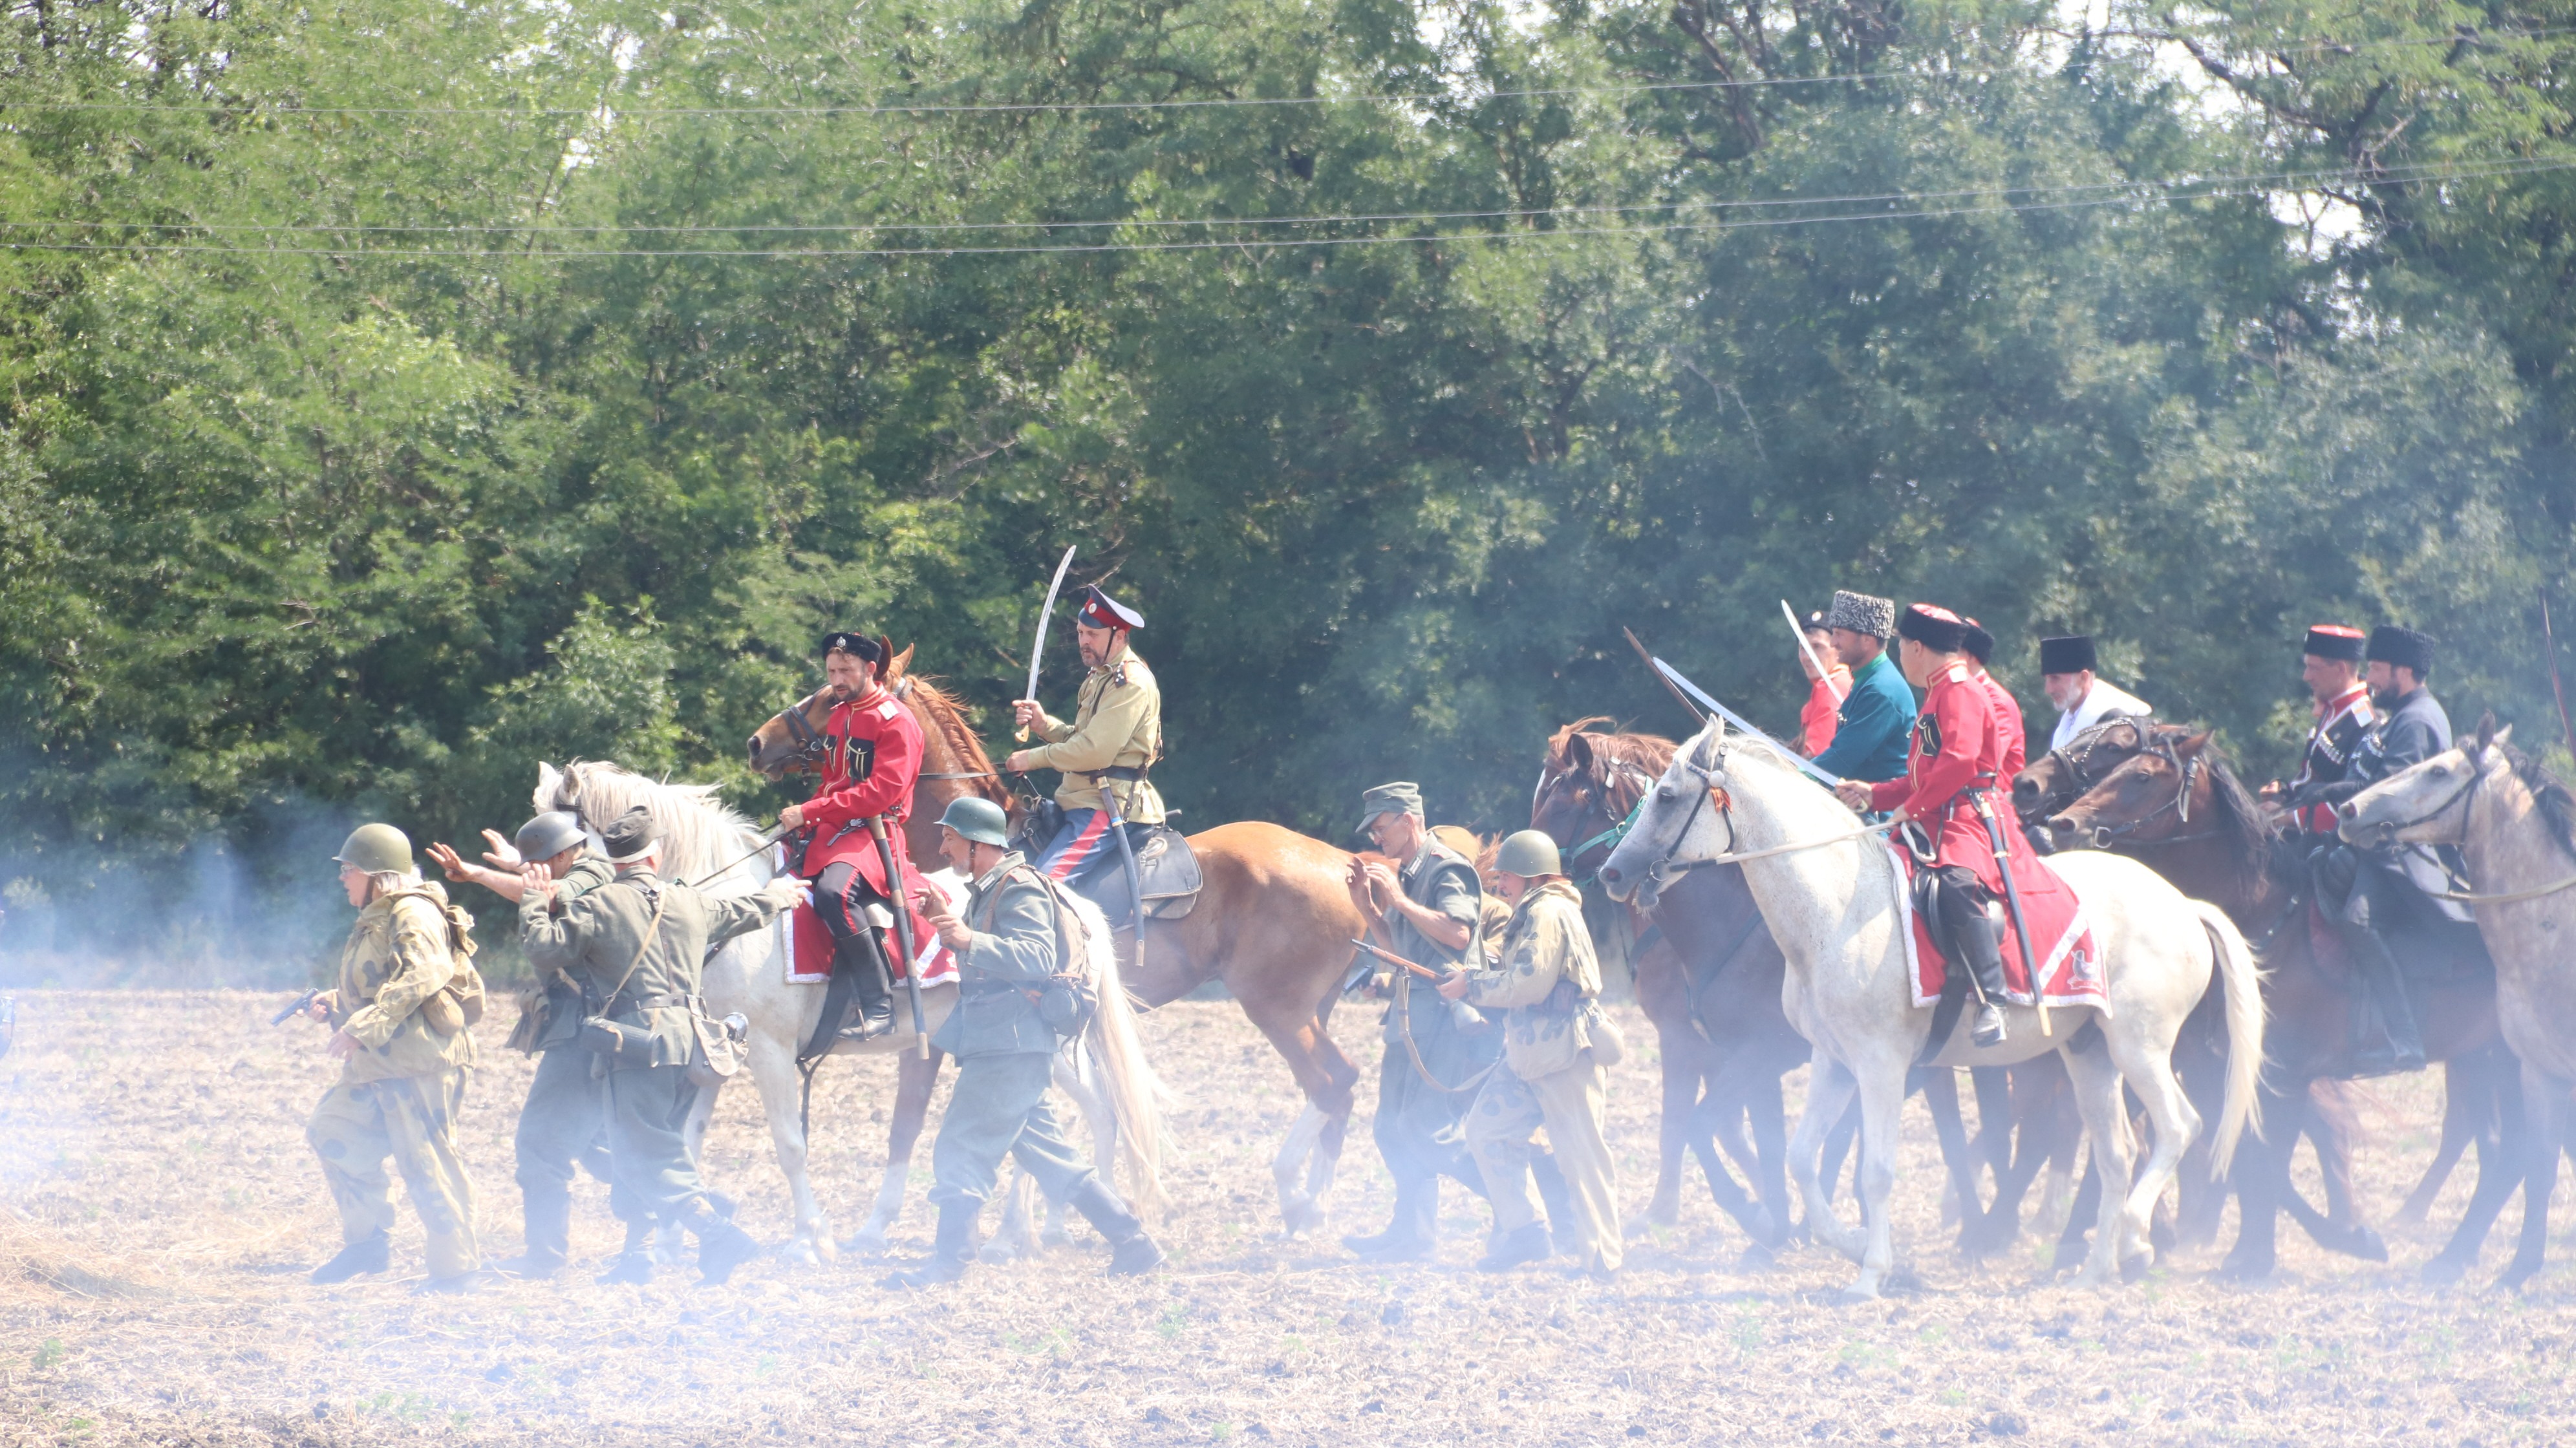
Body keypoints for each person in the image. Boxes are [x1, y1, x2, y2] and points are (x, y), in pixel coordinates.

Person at [883, 796, 1165, 1287]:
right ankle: (1133, 1242)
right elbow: (995, 946)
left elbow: (1035, 956)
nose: (943, 848)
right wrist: (947, 920)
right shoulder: (992, 887)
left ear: (977, 844)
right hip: (1003, 1039)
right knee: (1047, 1152)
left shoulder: (1019, 888)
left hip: (1009, 1042)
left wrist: (969, 940)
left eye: (950, 839)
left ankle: (950, 1260)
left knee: (959, 1146)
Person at [518, 806, 801, 1286]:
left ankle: (714, 1230)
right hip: (693, 1042)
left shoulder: (599, 905)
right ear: (657, 854)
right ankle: (641, 1254)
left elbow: (545, 948)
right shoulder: (691, 902)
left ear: (614, 857)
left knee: (639, 1151)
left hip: (636, 1043)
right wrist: (775, 896)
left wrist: (532, 900)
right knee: (653, 1142)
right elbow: (743, 912)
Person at [427, 813, 624, 1279]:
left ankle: (544, 1259)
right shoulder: (584, 866)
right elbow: (548, 884)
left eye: (540, 862)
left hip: (584, 1031)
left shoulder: (590, 873)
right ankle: (697, 1207)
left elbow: (548, 895)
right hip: (590, 1027)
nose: (533, 871)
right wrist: (517, 867)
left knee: (540, 1145)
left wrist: (480, 874)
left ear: (560, 856)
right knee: (599, 1143)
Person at [303, 824, 486, 1294]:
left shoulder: (413, 912)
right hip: (383, 1062)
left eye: (349, 870)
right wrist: (336, 1005)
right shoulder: (379, 915)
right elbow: (383, 982)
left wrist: (361, 1027)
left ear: (377, 874)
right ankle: (368, 1243)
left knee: (426, 1164)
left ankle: (457, 1271)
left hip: (422, 1062)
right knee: (331, 1130)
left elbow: (425, 973)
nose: (342, 878)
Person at [1439, 831, 1622, 1279]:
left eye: (1507, 876)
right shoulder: (1534, 911)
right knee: (1486, 1131)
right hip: (1529, 1051)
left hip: (1564, 1051)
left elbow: (1530, 984)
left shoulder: (1547, 912)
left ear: (1531, 876)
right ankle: (1526, 1232)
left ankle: (1603, 1260)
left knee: (1581, 1156)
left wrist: (1473, 986)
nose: (1500, 885)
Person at [1835, 605, 2018, 1049]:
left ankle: (1995, 999)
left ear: (1916, 647)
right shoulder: (1939, 692)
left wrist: (1910, 810)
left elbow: (1958, 765)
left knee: (1956, 884)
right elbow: (1925, 774)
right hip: (1939, 813)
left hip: (1968, 819)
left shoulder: (1959, 692)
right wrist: (1876, 794)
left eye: (1900, 647)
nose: (1900, 655)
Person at [1341, 783, 1498, 1263]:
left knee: (1428, 1130)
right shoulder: (1409, 872)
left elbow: (1458, 933)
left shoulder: (1447, 866)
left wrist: (1400, 900)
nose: (1375, 836)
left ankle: (1525, 1208)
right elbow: (1403, 953)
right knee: (1391, 1128)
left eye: (1380, 826)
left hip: (1446, 1020)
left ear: (1409, 821)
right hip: (1412, 1019)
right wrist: (1369, 908)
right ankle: (1414, 1234)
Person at [2307, 625, 2458, 1074]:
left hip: (2403, 858)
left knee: (2357, 922)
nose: (2369, 679)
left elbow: (2390, 794)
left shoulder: (2416, 721)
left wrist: (2323, 793)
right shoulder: (2406, 714)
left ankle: (2404, 1038)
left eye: (2375, 669)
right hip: (2383, 849)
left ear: (2404, 672)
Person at [777, 631, 927, 1043]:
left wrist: (810, 811)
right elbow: (833, 782)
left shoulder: (898, 721)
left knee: (832, 894)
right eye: (831, 670)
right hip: (834, 827)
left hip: (875, 833)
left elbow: (881, 793)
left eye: (846, 670)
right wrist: (805, 819)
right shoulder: (842, 714)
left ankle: (879, 1006)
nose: (837, 678)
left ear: (871, 669)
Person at [1007, 585, 1166, 917]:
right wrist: (1043, 725)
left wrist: (1031, 758)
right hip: (1080, 799)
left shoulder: (1131, 682)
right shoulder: (1100, 677)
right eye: (1080, 632)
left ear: (1119, 636)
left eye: (1092, 634)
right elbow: (1080, 737)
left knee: (1041, 893)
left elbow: (1094, 752)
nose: (1083, 641)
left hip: (1105, 807)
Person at [2262, 624, 2376, 840]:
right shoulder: (2333, 708)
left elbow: (2353, 798)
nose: (2306, 676)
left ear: (2341, 669)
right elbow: (2311, 779)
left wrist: (2287, 818)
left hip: (2324, 844)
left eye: (2314, 668)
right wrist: (2283, 794)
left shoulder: (2366, 721)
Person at [1812, 590, 1915, 783]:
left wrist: (1794, 776)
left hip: (1877, 811)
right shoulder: (1867, 679)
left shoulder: (1882, 691)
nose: (1833, 643)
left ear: (1867, 639)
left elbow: (1841, 758)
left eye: (1839, 635)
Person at [2039, 635, 2153, 751]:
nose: (2048, 690)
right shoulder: (2067, 721)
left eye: (2055, 679)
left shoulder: (2114, 720)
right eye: (2047, 680)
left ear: (2083, 678)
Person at [1960, 617, 2026, 777]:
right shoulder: (1958, 694)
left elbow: (1987, 763)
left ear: (1969, 657)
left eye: (1950, 651)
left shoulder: (1997, 702)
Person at [1796, 611, 1852, 758]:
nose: (1808, 657)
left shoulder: (1833, 687)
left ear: (1838, 650)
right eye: (1803, 648)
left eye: (1817, 647)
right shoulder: (1843, 682)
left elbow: (1814, 754)